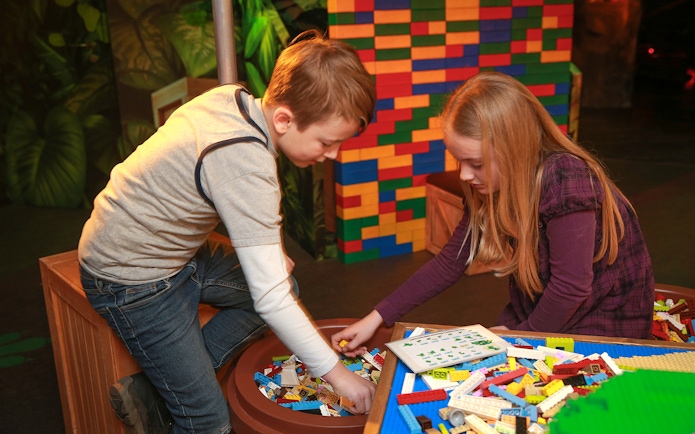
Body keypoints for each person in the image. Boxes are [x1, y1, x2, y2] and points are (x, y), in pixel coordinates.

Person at [78, 29, 377, 434]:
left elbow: (232, 191)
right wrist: (338, 375)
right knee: (208, 420)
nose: (333, 155)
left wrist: (267, 247)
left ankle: (158, 390)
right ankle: (179, 394)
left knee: (283, 281)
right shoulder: (244, 163)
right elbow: (270, 296)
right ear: (285, 119)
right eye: (327, 142)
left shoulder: (233, 99)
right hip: (130, 278)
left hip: (169, 252)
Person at [332, 71, 655, 358]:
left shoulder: (565, 176)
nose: (464, 175)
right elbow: (450, 262)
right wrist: (376, 317)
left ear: (514, 149)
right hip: (541, 315)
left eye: (476, 163)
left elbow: (571, 287)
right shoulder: (492, 184)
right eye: (459, 161)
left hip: (604, 328)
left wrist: (519, 337)